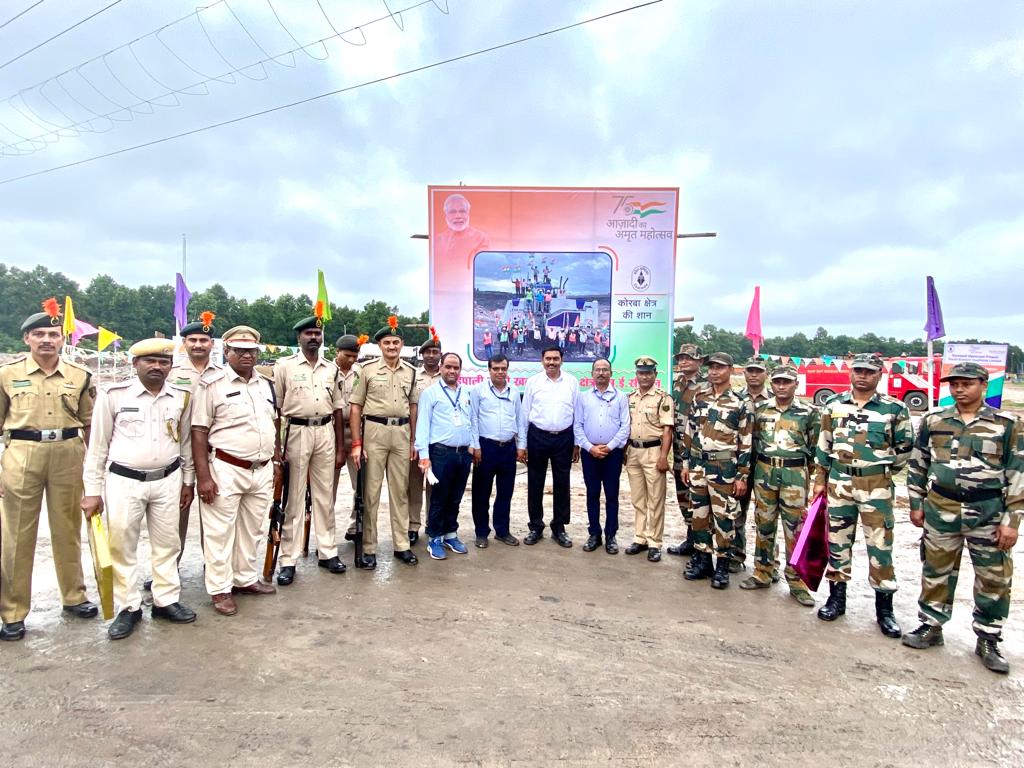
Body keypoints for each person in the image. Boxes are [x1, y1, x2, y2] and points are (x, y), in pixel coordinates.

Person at [903, 362, 1023, 673]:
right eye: (954, 383)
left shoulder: (1006, 424)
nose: (959, 389)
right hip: (941, 507)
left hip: (988, 511)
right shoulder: (934, 420)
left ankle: (988, 637)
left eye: (967, 383)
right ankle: (931, 625)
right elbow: (919, 463)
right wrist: (916, 502)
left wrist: (1012, 520)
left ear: (983, 385)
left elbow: (1017, 473)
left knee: (993, 577)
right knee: (935, 569)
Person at [82, 338, 197, 640]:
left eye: (163, 362)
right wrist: (92, 490)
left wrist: (188, 481)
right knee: (122, 545)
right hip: (124, 481)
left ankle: (165, 600)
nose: (157, 367)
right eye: (150, 361)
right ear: (135, 364)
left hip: (168, 479)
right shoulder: (113, 394)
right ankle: (128, 606)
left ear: (170, 366)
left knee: (168, 543)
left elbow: (184, 443)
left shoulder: (181, 396)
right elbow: (97, 447)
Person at [0, 302, 98, 642]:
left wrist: (94, 468)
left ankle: (74, 596)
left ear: (62, 339)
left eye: (53, 334)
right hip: (23, 453)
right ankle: (12, 612)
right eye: (39, 334)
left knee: (67, 528)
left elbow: (89, 423)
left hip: (68, 453)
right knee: (17, 535)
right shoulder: (7, 375)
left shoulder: (80, 375)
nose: (46, 340)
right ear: (27, 338)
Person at [812, 352, 913, 638]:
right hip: (839, 482)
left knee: (880, 546)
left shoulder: (894, 409)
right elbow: (824, 444)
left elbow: (905, 448)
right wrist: (820, 480)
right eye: (858, 371)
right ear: (850, 373)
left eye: (869, 372)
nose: (862, 376)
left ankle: (884, 609)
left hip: (876, 486)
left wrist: (878, 470)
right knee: (837, 542)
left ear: (879, 375)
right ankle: (836, 598)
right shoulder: (833, 405)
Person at [191, 325, 282, 617]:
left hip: (261, 468)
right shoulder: (211, 384)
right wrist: (203, 477)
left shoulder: (265, 384)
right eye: (239, 350)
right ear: (226, 352)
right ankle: (219, 589)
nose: (246, 355)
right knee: (219, 532)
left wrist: (276, 459)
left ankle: (244, 578)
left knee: (253, 528)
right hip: (226, 467)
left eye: (251, 350)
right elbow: (199, 431)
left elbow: (273, 424)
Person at [272, 315, 346, 586]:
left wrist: (339, 447)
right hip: (297, 431)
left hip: (325, 430)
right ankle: (288, 559)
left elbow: (338, 408)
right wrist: (277, 448)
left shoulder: (331, 368)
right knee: (293, 497)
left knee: (325, 495)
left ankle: (327, 552)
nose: (313, 337)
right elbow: (277, 410)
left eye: (317, 333)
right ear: (299, 338)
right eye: (308, 334)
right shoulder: (284, 367)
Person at [740, 365, 820, 606]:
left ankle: (797, 581)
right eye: (777, 382)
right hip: (765, 472)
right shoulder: (761, 410)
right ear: (771, 384)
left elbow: (816, 447)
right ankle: (762, 572)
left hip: (794, 474)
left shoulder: (808, 412)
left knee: (794, 529)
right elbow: (752, 442)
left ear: (796, 384)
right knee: (764, 523)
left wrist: (808, 474)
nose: (782, 386)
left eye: (787, 382)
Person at [349, 318, 419, 569]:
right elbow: (355, 408)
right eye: (387, 342)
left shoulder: (411, 373)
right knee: (370, 492)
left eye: (396, 342)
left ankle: (402, 545)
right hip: (375, 432)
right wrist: (357, 442)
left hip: (401, 433)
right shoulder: (366, 371)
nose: (392, 346)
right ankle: (369, 547)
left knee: (400, 491)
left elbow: (413, 407)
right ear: (380, 345)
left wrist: (413, 439)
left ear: (402, 345)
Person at [681, 352, 752, 589]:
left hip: (724, 466)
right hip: (699, 465)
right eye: (711, 367)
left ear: (731, 370)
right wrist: (687, 464)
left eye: (719, 367)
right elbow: (690, 432)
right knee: (699, 516)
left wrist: (742, 475)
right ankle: (703, 560)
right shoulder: (699, 397)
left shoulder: (740, 402)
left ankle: (722, 566)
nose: (714, 371)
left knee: (724, 518)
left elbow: (746, 440)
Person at [169, 311, 221, 563]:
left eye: (204, 340)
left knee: (213, 512)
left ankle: (211, 565)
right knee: (175, 512)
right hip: (178, 450)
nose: (198, 345)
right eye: (193, 340)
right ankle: (170, 567)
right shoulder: (171, 373)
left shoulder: (221, 373)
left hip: (211, 450)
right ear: (184, 343)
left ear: (212, 343)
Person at [415, 353, 474, 560]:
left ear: (460, 370)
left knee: (456, 497)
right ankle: (434, 538)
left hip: (463, 453)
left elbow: (471, 421)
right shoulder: (430, 394)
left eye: (456, 367)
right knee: (439, 498)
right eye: (448, 366)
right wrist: (424, 455)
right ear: (441, 367)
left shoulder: (467, 393)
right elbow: (423, 425)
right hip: (440, 453)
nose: (452, 371)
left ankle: (451, 534)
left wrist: (473, 446)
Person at [520, 345, 579, 547]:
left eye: (555, 358)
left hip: (564, 438)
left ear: (562, 360)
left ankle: (559, 527)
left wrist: (577, 443)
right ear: (542, 360)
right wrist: (523, 444)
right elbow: (524, 414)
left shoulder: (572, 382)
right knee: (535, 482)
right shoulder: (533, 382)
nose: (551, 362)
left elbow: (577, 414)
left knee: (562, 483)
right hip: (537, 436)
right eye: (548, 359)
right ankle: (535, 526)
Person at [574, 358, 630, 555]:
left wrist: (610, 446)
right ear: (592, 373)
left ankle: (611, 535)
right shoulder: (583, 397)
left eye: (605, 370)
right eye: (597, 370)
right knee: (592, 494)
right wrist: (590, 448)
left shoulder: (621, 397)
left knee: (612, 495)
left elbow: (625, 427)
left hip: (612, 454)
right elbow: (577, 426)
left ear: (611, 373)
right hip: (590, 454)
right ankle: (594, 534)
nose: (601, 373)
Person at [623, 356, 674, 562]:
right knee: (638, 499)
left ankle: (655, 542)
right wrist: (625, 453)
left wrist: (664, 456)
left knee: (656, 499)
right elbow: (627, 427)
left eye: (648, 373)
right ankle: (640, 537)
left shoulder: (663, 398)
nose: (644, 377)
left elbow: (667, 430)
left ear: (655, 374)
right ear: (636, 375)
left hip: (654, 451)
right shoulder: (630, 397)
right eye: (641, 373)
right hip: (634, 451)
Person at [469, 354, 522, 548]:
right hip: (485, 448)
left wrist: (521, 446)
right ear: (489, 370)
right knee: (481, 493)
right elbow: (473, 419)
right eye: (496, 369)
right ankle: (481, 532)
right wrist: (475, 446)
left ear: (507, 370)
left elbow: (520, 420)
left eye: (503, 369)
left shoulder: (514, 391)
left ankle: (502, 531)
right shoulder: (478, 391)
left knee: (505, 492)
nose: (500, 372)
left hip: (508, 448)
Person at [732, 358, 772, 573]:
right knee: (737, 512)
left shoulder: (776, 400)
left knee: (767, 518)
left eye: (758, 371)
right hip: (740, 464)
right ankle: (736, 556)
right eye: (750, 371)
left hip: (767, 466)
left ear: (766, 374)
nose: (754, 375)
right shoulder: (736, 399)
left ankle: (767, 565)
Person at [668, 343, 707, 557]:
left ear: (699, 361)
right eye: (681, 358)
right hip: (678, 449)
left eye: (689, 358)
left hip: (698, 452)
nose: (684, 361)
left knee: (699, 498)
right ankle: (691, 538)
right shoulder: (676, 384)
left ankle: (702, 545)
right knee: (683, 496)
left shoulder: (707, 385)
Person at [408, 333, 443, 546]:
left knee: (435, 483)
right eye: (428, 352)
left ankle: (433, 523)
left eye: (435, 352)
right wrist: (413, 439)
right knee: (413, 483)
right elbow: (411, 408)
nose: (431, 356)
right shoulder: (413, 376)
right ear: (422, 355)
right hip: (417, 438)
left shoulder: (447, 376)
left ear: (440, 355)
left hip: (438, 439)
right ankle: (413, 525)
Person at [335, 334, 365, 540]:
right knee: (328, 488)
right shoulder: (327, 371)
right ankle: (325, 535)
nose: (352, 360)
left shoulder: (361, 373)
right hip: (332, 433)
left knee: (360, 486)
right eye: (348, 355)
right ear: (337, 352)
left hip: (356, 433)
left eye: (355, 355)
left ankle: (356, 527)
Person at [435, 193, 491, 266]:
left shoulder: (481, 238)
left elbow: (483, 265)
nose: (458, 216)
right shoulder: (437, 240)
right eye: (452, 212)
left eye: (462, 211)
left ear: (468, 213)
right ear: (446, 215)